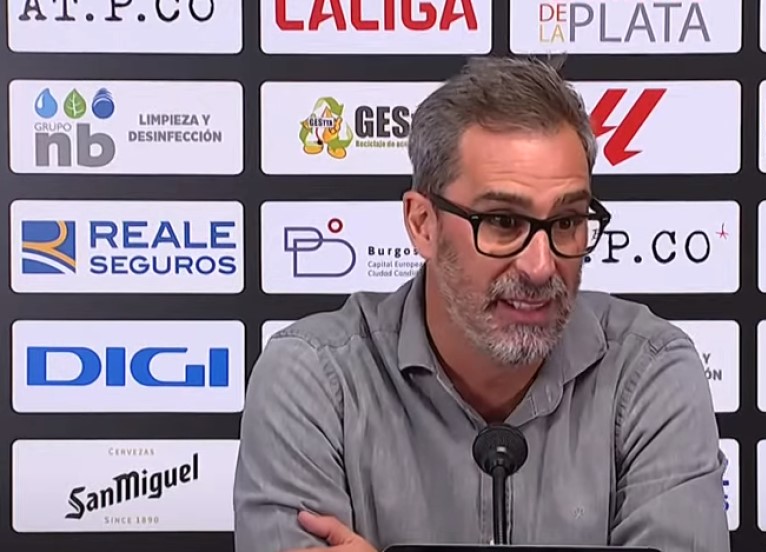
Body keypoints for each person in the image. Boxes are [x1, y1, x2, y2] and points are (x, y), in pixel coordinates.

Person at [233, 55, 730, 552]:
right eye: (503, 222)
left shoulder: (649, 372)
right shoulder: (315, 380)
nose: (540, 266)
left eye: (566, 222)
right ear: (422, 224)